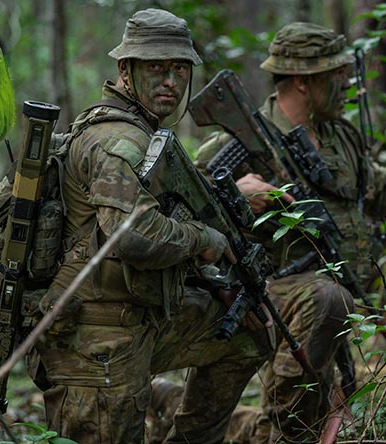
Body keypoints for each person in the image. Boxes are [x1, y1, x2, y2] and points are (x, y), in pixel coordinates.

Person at [192, 22, 386, 443]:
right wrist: (237, 198)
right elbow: (191, 210)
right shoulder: (239, 140)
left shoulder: (339, 136)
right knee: (296, 414)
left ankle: (242, 425)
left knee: (313, 413)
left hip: (332, 298)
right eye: (337, 75)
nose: (349, 82)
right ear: (303, 81)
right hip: (271, 295)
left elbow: (379, 189)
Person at [33, 9, 273, 443]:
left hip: (142, 319)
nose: (170, 81)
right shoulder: (118, 142)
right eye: (156, 68)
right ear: (125, 70)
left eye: (179, 68)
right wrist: (205, 239)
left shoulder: (146, 136)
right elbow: (133, 236)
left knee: (246, 335)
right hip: (97, 338)